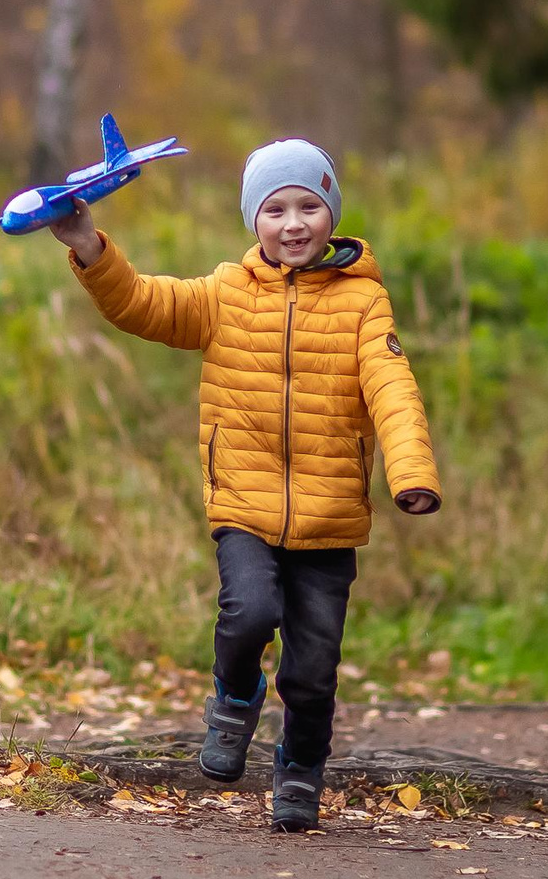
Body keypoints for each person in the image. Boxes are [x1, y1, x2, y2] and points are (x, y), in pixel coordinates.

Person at [45, 139, 441, 833]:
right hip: (244, 503)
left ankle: (299, 768)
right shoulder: (226, 292)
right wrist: (87, 245)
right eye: (275, 208)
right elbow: (141, 303)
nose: (293, 223)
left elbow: (393, 389)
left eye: (309, 206)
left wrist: (411, 472)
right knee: (249, 611)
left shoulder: (362, 303)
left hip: (330, 514)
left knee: (314, 671)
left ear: (332, 214)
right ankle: (234, 694)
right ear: (253, 221)